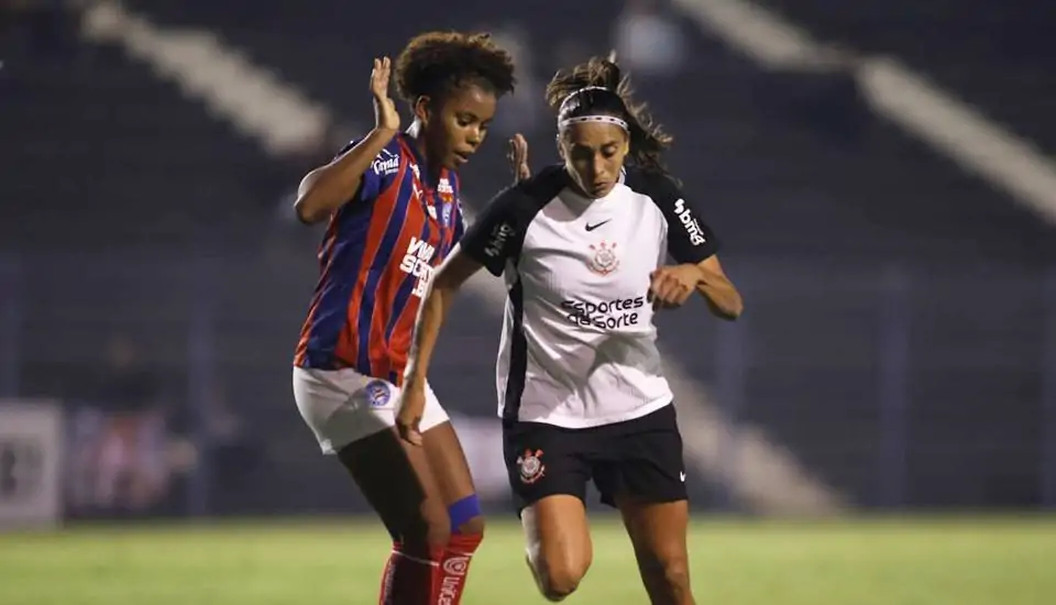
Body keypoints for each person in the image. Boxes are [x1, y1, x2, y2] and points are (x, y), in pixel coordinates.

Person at [397, 56, 743, 605]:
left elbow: (731, 302)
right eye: (581, 153)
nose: (597, 166)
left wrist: (694, 274)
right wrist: (415, 380)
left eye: (608, 152)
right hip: (547, 415)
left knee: (671, 575)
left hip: (638, 411)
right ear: (563, 149)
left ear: (625, 146)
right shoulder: (522, 208)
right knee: (559, 576)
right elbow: (442, 284)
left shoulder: (660, 198)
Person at [290, 31, 515, 605]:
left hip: (397, 374)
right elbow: (311, 205)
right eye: (464, 119)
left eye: (482, 125)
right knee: (425, 528)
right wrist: (381, 133)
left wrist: (520, 210)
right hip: (343, 372)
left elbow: (460, 275)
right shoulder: (388, 159)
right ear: (424, 109)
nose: (474, 136)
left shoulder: (447, 191)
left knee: (465, 525)